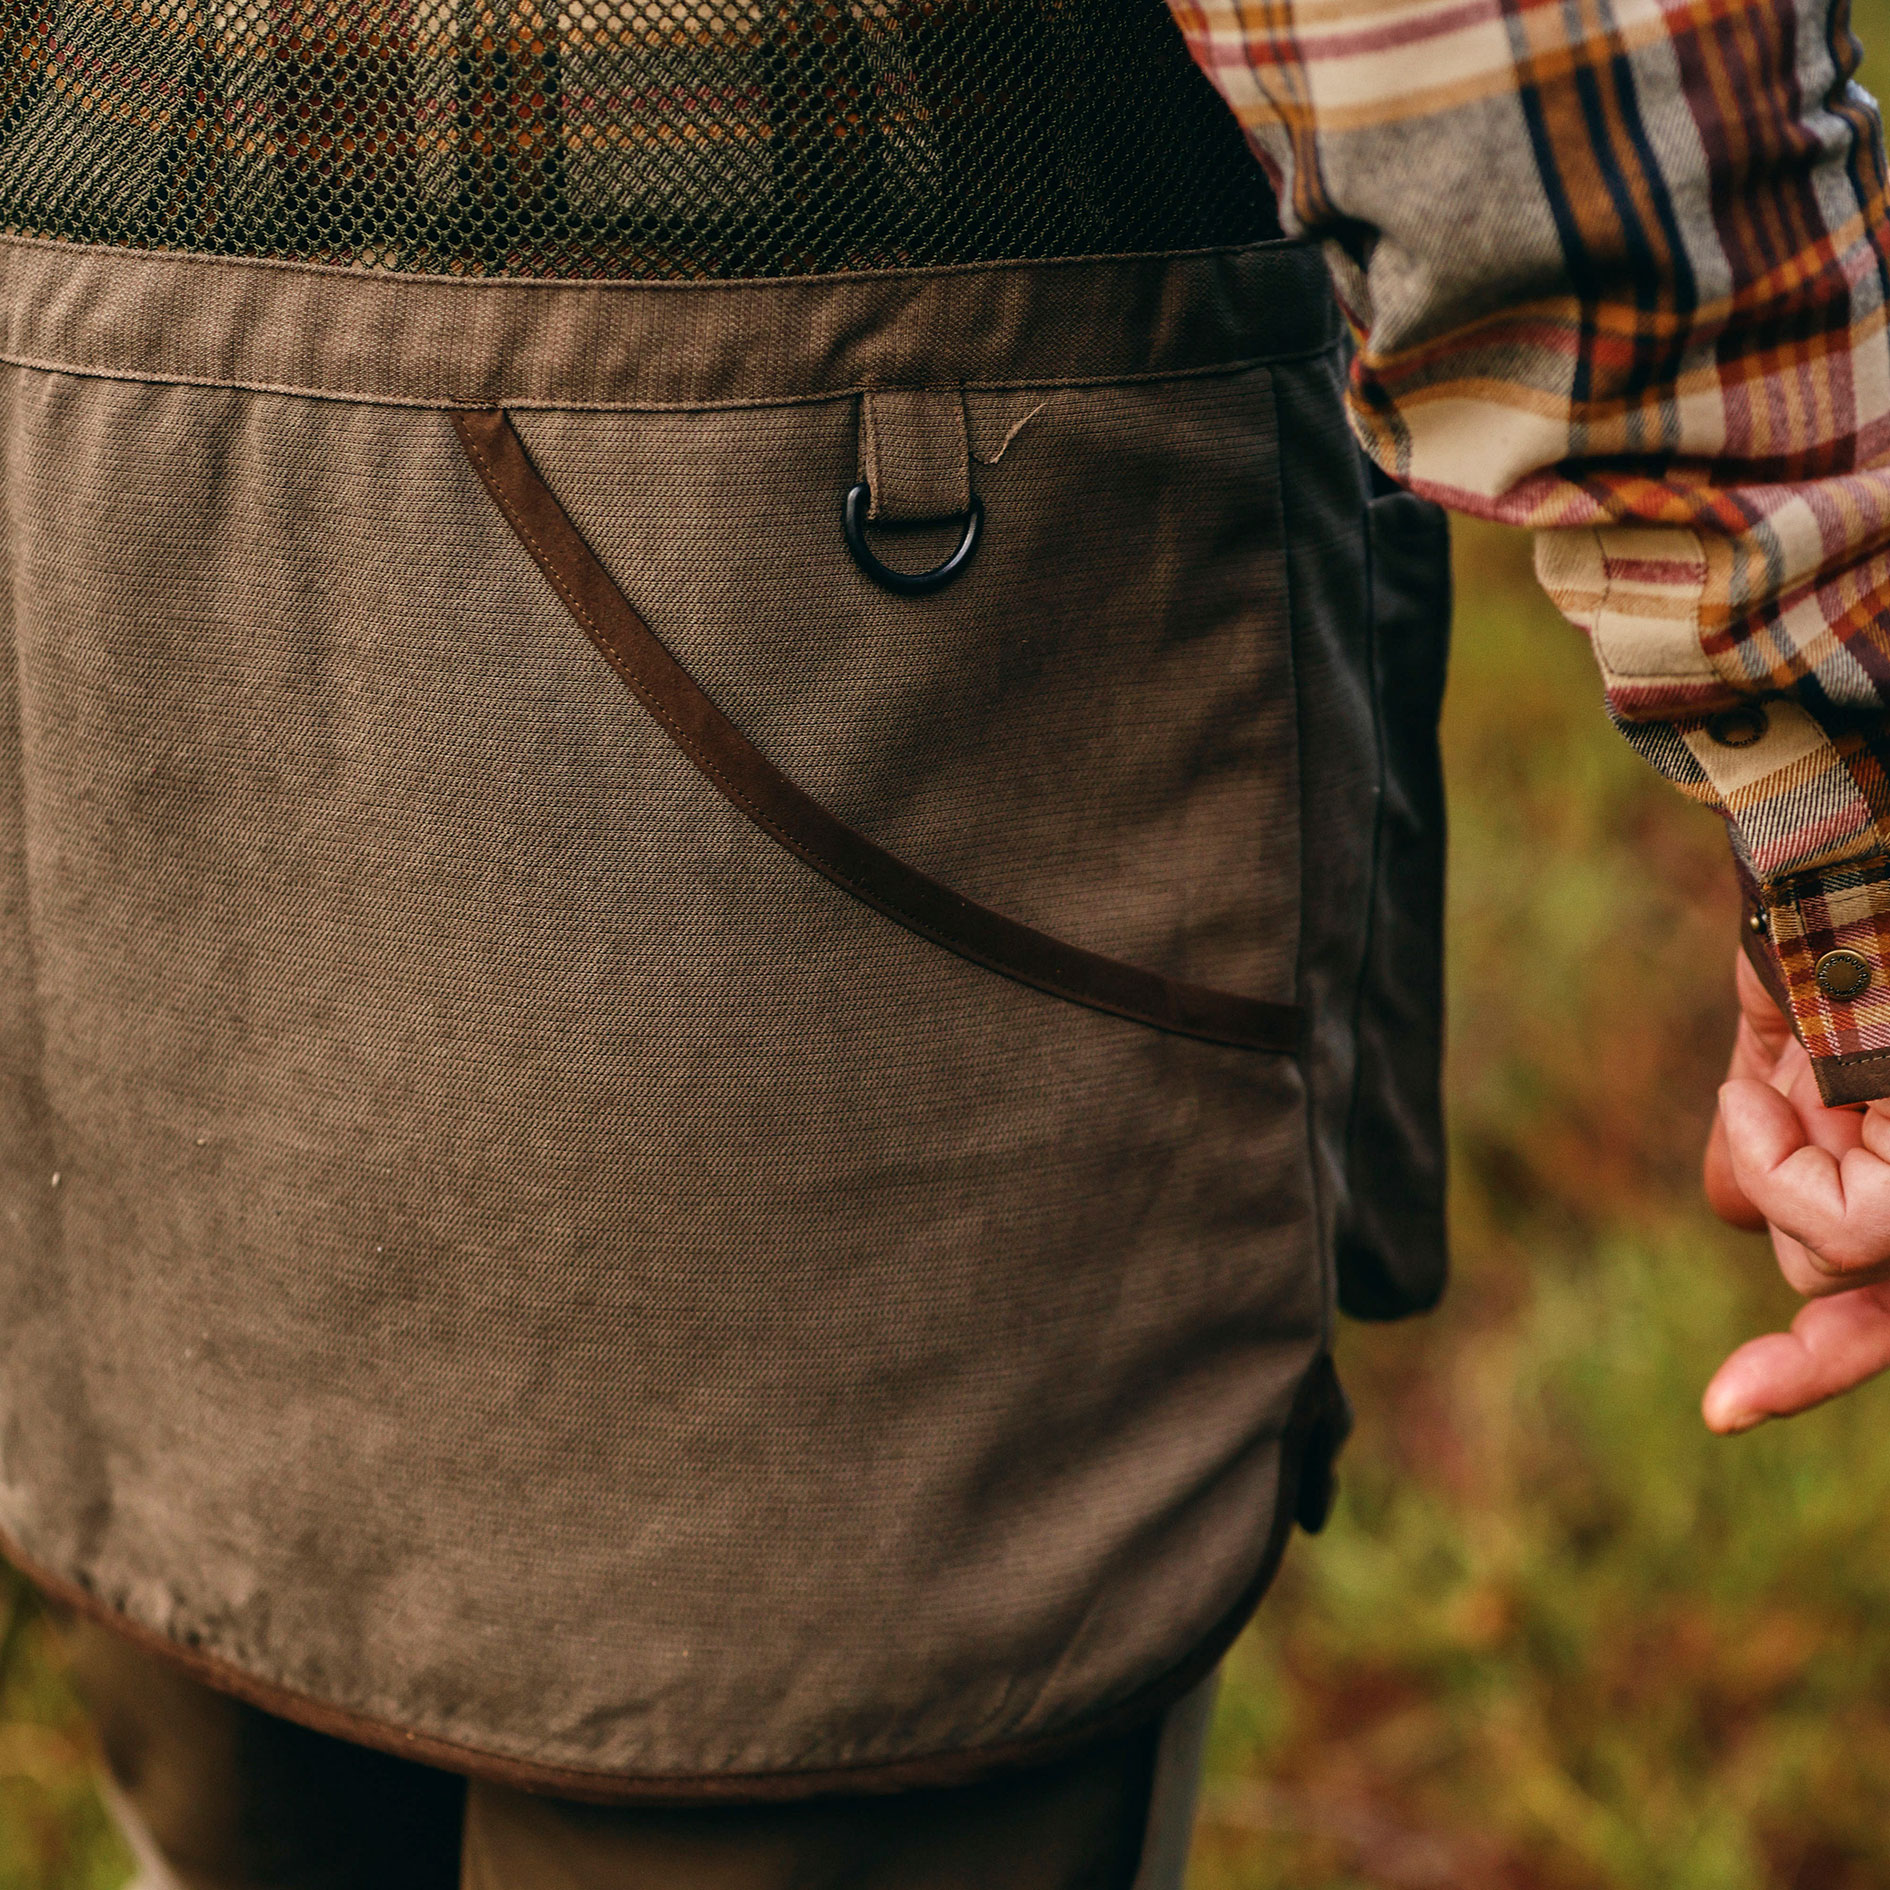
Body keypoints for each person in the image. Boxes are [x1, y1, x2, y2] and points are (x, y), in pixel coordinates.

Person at [0, 0, 1882, 1885]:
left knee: (249, 1689)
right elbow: (1501, 69)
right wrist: (1833, 798)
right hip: (852, 666)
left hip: (113, 576)